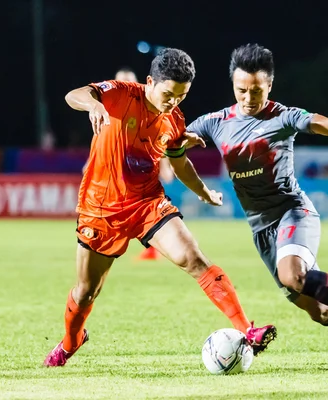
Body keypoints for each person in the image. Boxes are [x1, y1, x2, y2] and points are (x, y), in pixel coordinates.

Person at [44, 48, 276, 367]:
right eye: (169, 94)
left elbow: (179, 164)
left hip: (147, 203)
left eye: (181, 97)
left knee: (193, 258)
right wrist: (94, 105)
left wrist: (204, 191)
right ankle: (71, 342)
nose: (173, 103)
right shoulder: (120, 93)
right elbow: (75, 95)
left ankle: (246, 330)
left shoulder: (174, 119)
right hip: (101, 208)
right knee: (86, 292)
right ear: (150, 81)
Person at [183, 44, 328, 362]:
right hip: (260, 229)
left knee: (293, 275)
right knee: (318, 312)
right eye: (241, 90)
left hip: (293, 212)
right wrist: (175, 145)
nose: (249, 98)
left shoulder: (285, 116)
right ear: (232, 85)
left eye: (257, 91)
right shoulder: (214, 122)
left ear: (270, 85)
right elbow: (173, 142)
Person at [80, 67, 174, 260]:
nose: (127, 85)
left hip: (140, 188)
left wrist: (165, 164)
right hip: (110, 193)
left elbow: (160, 140)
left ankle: (153, 246)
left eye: (130, 80)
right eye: (122, 80)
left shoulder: (151, 110)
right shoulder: (108, 111)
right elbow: (101, 145)